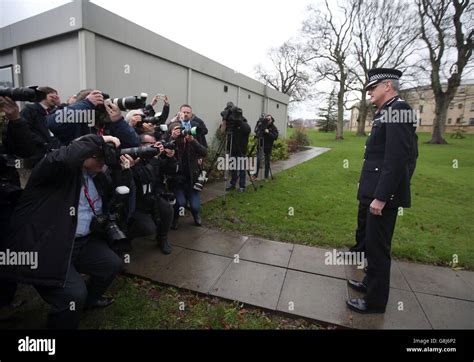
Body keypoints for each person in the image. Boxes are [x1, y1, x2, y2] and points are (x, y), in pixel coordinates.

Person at [5, 134, 132, 328]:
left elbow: (118, 192)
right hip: (47, 247)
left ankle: (87, 303)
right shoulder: (53, 170)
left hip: (82, 242)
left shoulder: (96, 177)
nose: (102, 161)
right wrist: (99, 139)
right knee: (73, 295)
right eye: (98, 156)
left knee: (111, 264)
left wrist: (120, 169)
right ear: (81, 153)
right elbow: (64, 157)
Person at [346, 68, 417, 314]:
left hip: (382, 196)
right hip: (373, 190)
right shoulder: (385, 112)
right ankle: (369, 284)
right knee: (369, 242)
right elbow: (379, 156)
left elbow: (398, 159)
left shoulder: (399, 111)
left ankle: (375, 302)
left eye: (372, 88)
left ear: (387, 85)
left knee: (378, 248)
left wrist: (382, 196)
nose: (369, 93)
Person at [128, 133, 177, 254]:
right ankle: (125, 237)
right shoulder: (134, 159)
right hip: (138, 202)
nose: (154, 147)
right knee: (147, 228)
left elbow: (170, 171)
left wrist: (170, 157)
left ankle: (162, 238)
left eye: (155, 144)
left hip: (153, 196)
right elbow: (145, 177)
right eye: (150, 144)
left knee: (167, 210)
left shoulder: (155, 158)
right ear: (141, 145)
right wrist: (155, 158)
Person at [167, 121, 207, 229]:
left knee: (194, 206)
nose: (179, 132)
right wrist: (172, 138)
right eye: (175, 130)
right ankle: (176, 218)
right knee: (180, 203)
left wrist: (193, 141)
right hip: (177, 181)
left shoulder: (190, 142)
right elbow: (165, 153)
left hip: (192, 180)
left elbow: (204, 152)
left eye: (180, 129)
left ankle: (195, 214)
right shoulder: (170, 142)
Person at [223, 107, 251, 192]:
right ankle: (232, 183)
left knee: (242, 169)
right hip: (232, 149)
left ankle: (242, 186)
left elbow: (248, 130)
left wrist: (239, 122)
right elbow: (222, 131)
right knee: (233, 168)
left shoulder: (243, 123)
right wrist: (225, 120)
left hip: (241, 150)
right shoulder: (231, 124)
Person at [251, 114, 279, 180]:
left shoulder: (273, 127)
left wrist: (268, 132)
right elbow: (257, 132)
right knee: (258, 160)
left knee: (267, 161)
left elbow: (275, 137)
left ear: (271, 120)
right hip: (260, 145)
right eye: (266, 119)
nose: (267, 120)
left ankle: (266, 176)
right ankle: (255, 175)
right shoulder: (262, 125)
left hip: (268, 147)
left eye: (269, 119)